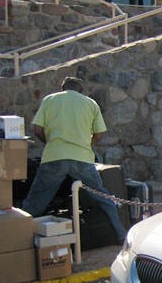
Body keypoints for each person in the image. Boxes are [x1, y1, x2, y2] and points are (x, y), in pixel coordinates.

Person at [23, 76, 127, 243]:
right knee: (103, 197)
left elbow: (37, 128)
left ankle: (18, 237)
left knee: (36, 200)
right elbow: (99, 135)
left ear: (63, 87)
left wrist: (50, 143)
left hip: (54, 156)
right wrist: (86, 144)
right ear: (80, 90)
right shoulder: (90, 103)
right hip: (82, 158)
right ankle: (121, 233)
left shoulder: (49, 100)